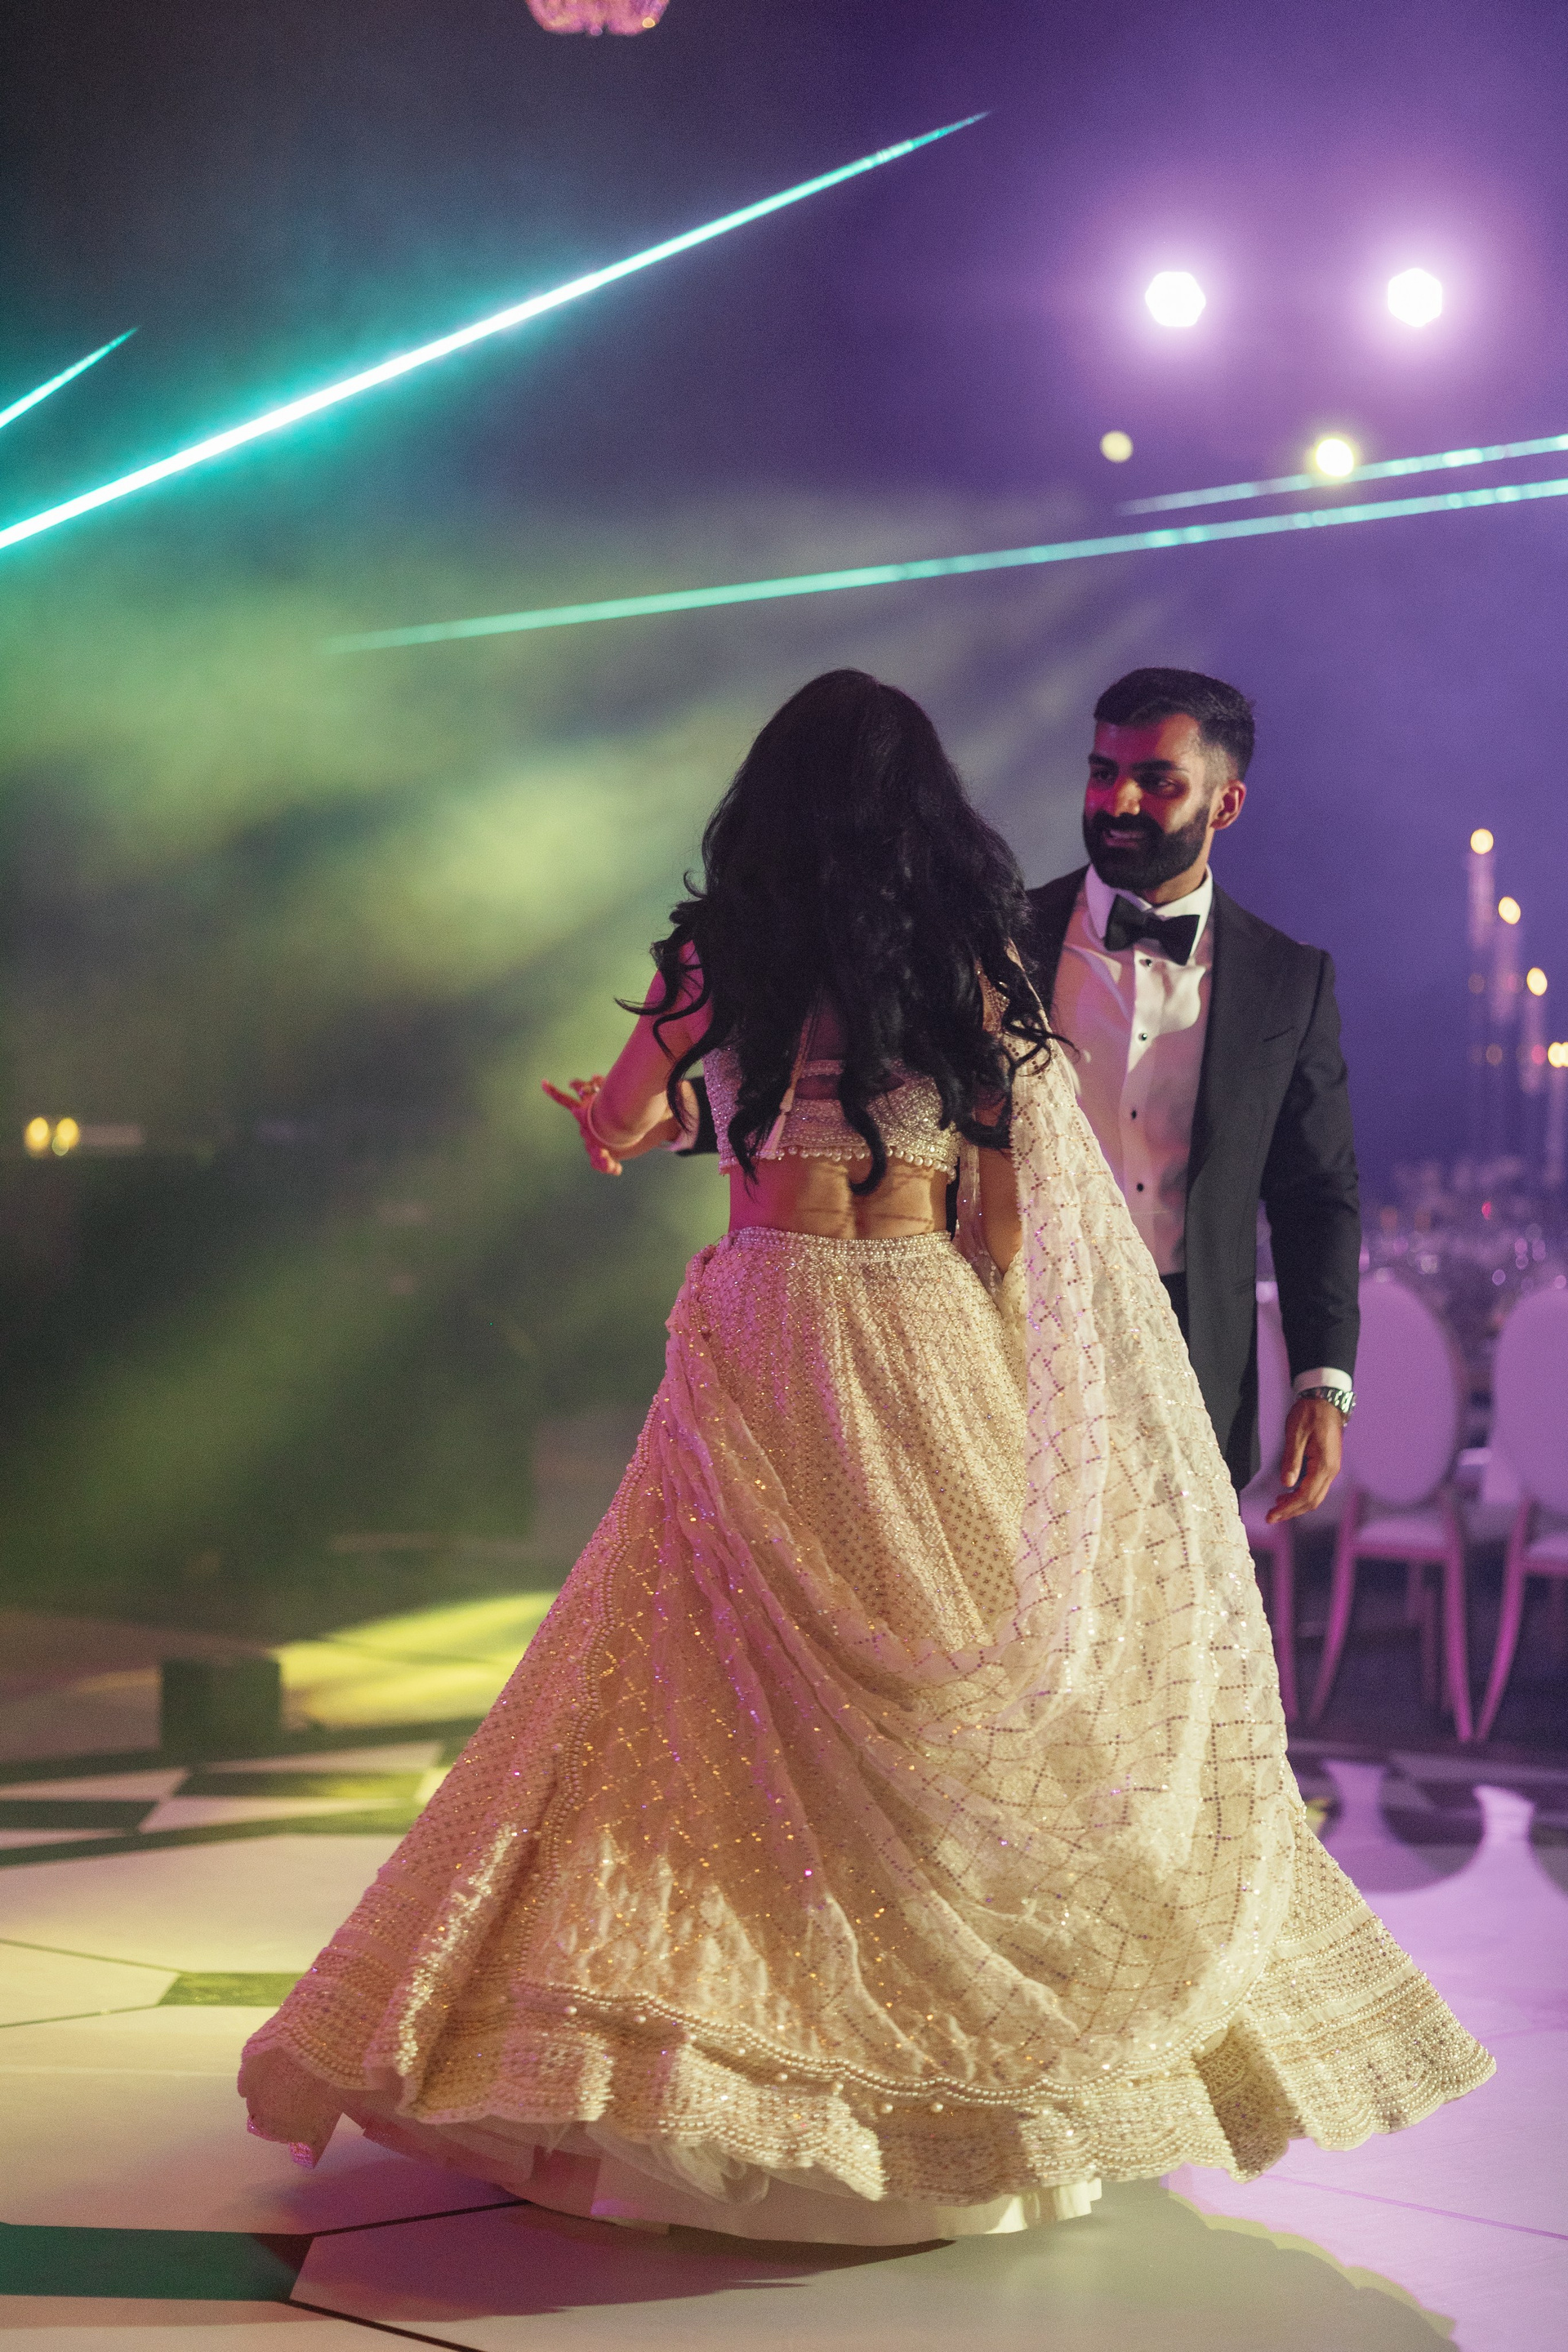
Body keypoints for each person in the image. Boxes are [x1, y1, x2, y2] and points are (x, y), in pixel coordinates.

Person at [241, 670, 1487, 2246]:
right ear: (925, 814)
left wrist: (626, 1122)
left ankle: (695, 2052)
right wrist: (1027, 1369)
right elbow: (1006, 1209)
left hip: (766, 1319)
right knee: (963, 1683)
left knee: (702, 1674)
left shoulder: (713, 956)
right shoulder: (972, 958)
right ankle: (962, 2065)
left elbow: (632, 1121)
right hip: (917, 1318)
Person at [1027, 666, 1361, 1506]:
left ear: (1225, 804)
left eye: (1157, 781)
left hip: (1194, 1355)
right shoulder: (1001, 940)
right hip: (1019, 1336)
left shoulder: (1287, 980)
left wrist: (1324, 1382)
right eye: (1103, 772)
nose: (1118, 801)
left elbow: (1316, 1194)